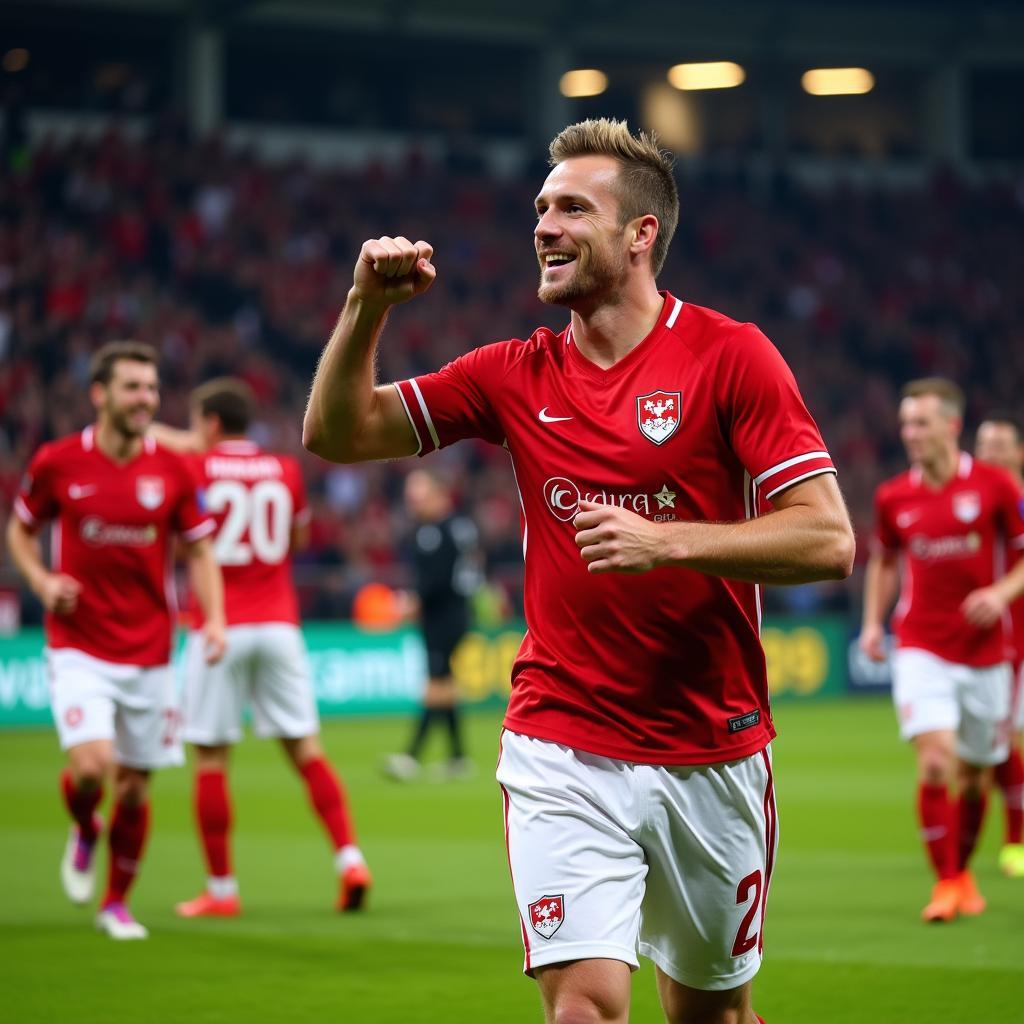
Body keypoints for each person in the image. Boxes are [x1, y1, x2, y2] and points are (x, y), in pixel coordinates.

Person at [303, 118, 855, 1024]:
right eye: (540, 208)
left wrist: (666, 541)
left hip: (711, 745)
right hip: (562, 739)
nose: (545, 226)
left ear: (641, 235)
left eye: (572, 208)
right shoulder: (513, 371)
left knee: (711, 1014)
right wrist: (368, 307)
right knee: (584, 1009)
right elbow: (335, 433)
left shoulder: (730, 355)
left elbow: (828, 540)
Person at [6, 341, 225, 940]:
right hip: (78, 646)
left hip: (151, 651)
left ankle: (115, 903)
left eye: (152, 389)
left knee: (133, 789)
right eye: (133, 388)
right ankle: (83, 827)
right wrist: (42, 580)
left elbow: (200, 550)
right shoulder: (57, 463)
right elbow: (19, 532)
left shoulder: (174, 470)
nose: (145, 400)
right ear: (99, 394)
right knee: (92, 768)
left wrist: (214, 619)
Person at [149, 378, 372, 916]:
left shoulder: (195, 467)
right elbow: (294, 540)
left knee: (211, 761)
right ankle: (350, 860)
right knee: (306, 751)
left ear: (210, 424)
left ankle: (221, 891)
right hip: (278, 624)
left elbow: (183, 539)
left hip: (217, 626)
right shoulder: (284, 470)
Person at [859, 380, 1024, 923]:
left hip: (986, 654)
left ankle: (963, 872)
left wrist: (999, 593)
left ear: (952, 426)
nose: (911, 434)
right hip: (921, 645)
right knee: (935, 764)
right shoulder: (893, 496)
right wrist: (870, 625)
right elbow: (884, 561)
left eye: (922, 423)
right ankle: (947, 882)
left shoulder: (998, 487)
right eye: (906, 424)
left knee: (977, 775)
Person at [383, 468, 480, 781]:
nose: (413, 501)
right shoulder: (459, 527)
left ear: (438, 495)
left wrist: (412, 601)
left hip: (444, 616)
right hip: (456, 612)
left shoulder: (435, 532)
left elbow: (437, 579)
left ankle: (411, 756)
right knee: (444, 683)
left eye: (420, 494)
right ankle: (458, 758)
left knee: (435, 685)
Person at [974, 411, 1024, 878]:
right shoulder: (977, 499)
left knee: (1001, 740)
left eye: (999, 446)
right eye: (982, 445)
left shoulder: (1015, 499)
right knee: (1000, 740)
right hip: (1000, 639)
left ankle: (1014, 840)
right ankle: (1014, 840)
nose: (989, 454)